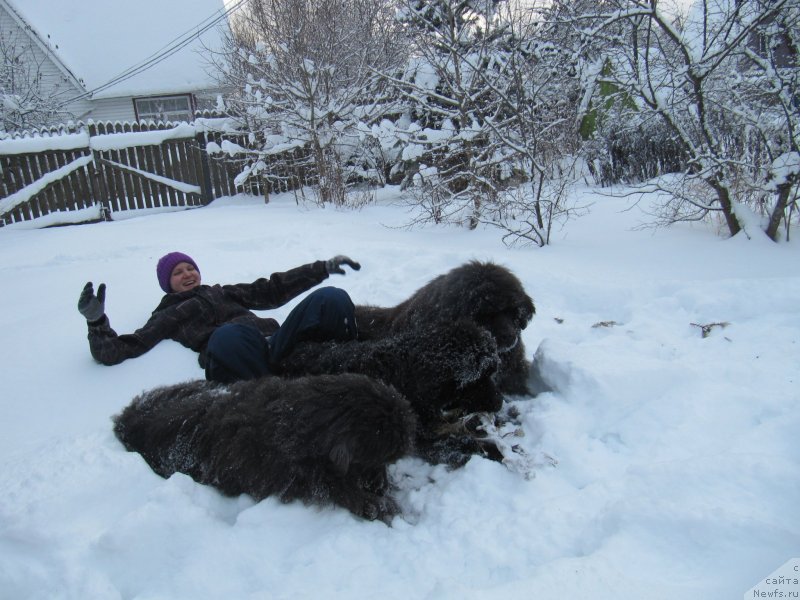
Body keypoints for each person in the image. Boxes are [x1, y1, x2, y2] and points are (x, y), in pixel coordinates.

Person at [77, 252, 361, 383]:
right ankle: (281, 398)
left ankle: (352, 370)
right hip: (236, 356)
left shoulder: (222, 292)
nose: (187, 274)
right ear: (167, 283)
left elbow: (271, 290)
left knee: (331, 297)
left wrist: (321, 269)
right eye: (178, 272)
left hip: (274, 342)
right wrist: (96, 322)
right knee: (227, 335)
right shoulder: (166, 314)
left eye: (190, 268)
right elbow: (123, 348)